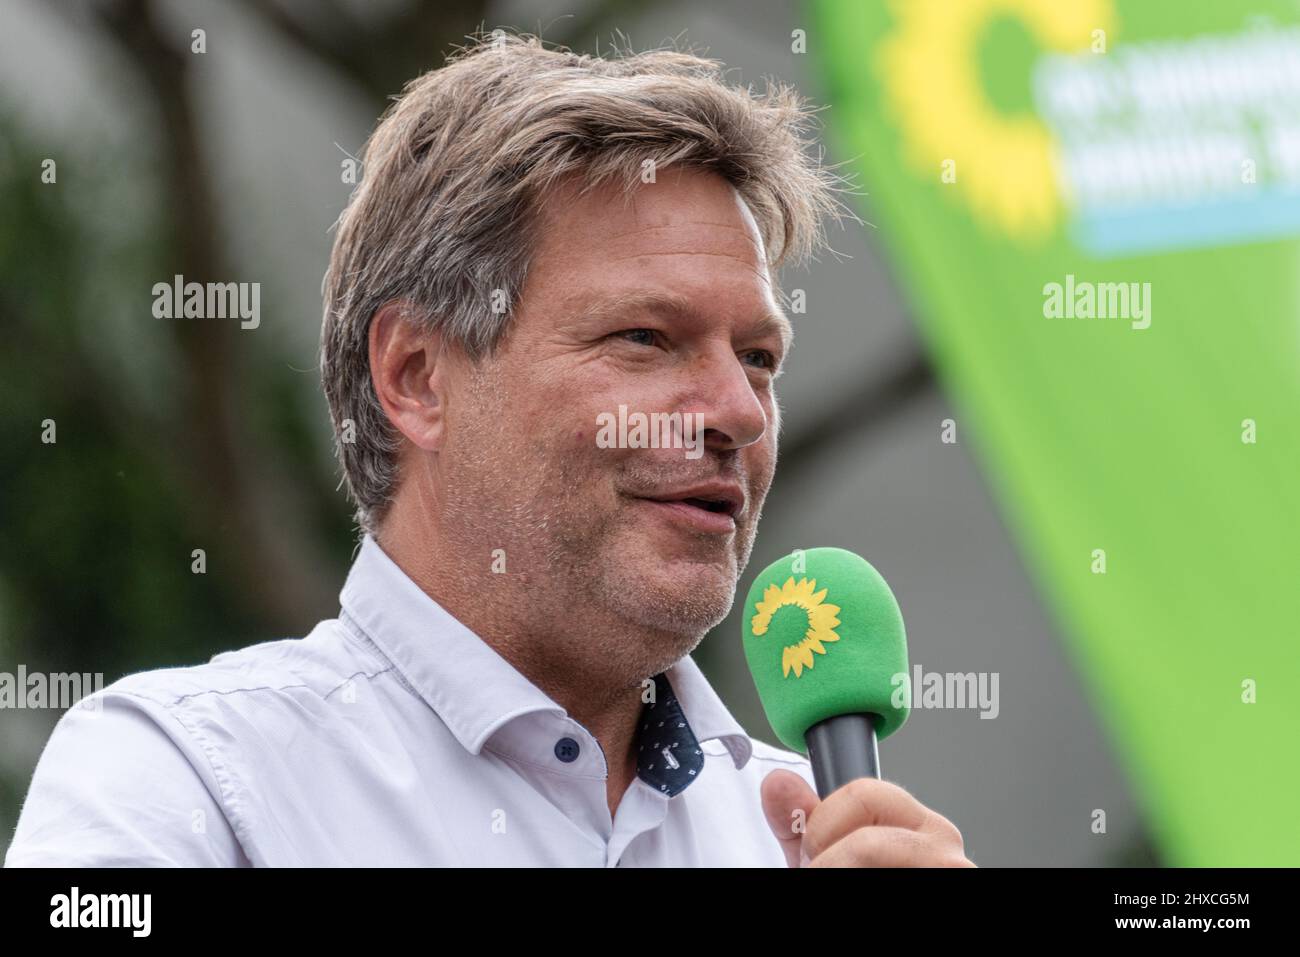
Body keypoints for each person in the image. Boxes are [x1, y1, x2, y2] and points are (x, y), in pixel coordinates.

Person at [6, 33, 972, 867]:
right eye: (644, 338)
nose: (739, 410)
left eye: (758, 358)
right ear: (419, 375)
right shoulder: (183, 784)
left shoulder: (809, 832)